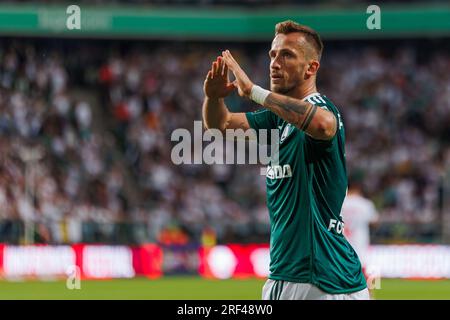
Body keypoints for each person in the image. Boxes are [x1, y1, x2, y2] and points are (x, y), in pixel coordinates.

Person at [202, 20, 369, 300]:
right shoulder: (276, 119)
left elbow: (325, 125)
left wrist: (254, 92)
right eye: (272, 54)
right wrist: (213, 97)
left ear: (311, 68)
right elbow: (220, 124)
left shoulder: (322, 108)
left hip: (321, 277)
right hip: (287, 272)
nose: (275, 63)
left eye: (287, 55)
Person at [341, 179, 379, 269]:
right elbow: (375, 222)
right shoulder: (365, 204)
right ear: (358, 189)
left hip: (342, 242)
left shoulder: (340, 203)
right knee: (360, 269)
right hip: (359, 242)